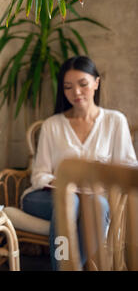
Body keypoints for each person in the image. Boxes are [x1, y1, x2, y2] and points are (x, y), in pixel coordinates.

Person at [21, 56, 137, 270]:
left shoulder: (115, 121)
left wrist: (99, 185)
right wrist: (68, 185)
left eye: (83, 84)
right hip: (44, 197)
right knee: (69, 201)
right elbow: (39, 175)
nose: (76, 92)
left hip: (98, 199)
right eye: (68, 87)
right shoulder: (52, 125)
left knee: (95, 204)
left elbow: (129, 169)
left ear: (96, 83)